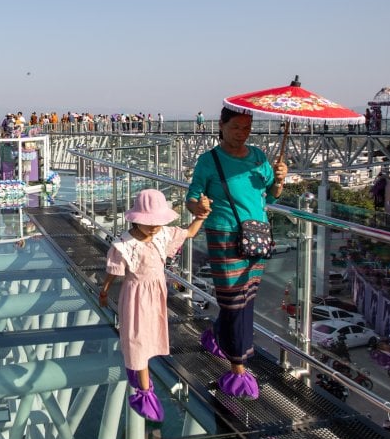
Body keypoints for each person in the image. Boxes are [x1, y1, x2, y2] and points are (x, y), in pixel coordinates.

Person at [186, 107, 288, 399]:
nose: (242, 134)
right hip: (223, 233)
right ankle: (239, 367)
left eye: (246, 128)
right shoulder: (209, 161)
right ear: (221, 126)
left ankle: (217, 336)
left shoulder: (258, 157)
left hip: (256, 235)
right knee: (233, 302)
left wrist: (279, 179)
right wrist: (199, 208)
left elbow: (270, 195)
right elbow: (192, 197)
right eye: (236, 128)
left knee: (246, 296)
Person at [99, 189, 210, 421]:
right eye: (148, 223)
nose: (153, 227)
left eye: (157, 223)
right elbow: (112, 272)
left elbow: (188, 233)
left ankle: (139, 374)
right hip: (135, 295)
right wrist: (105, 290)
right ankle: (144, 390)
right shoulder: (123, 244)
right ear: (135, 219)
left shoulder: (163, 234)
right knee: (137, 339)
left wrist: (200, 217)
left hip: (156, 293)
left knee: (151, 334)